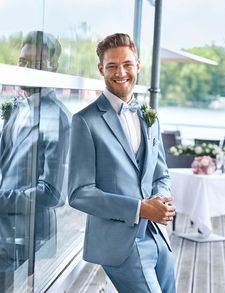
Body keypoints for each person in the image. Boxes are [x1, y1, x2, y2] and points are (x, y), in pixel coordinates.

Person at [68, 33, 176, 293]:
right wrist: (140, 208)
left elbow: (161, 174)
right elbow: (79, 194)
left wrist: (160, 200)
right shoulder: (85, 121)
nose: (121, 72)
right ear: (101, 69)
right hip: (120, 245)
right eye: (112, 66)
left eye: (127, 64)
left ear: (138, 65)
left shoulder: (149, 116)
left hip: (158, 237)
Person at [0, 31, 70, 291]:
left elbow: (52, 194)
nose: (27, 70)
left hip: (23, 237)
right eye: (22, 62)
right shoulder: (17, 108)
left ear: (53, 68)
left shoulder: (58, 118)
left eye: (36, 64)